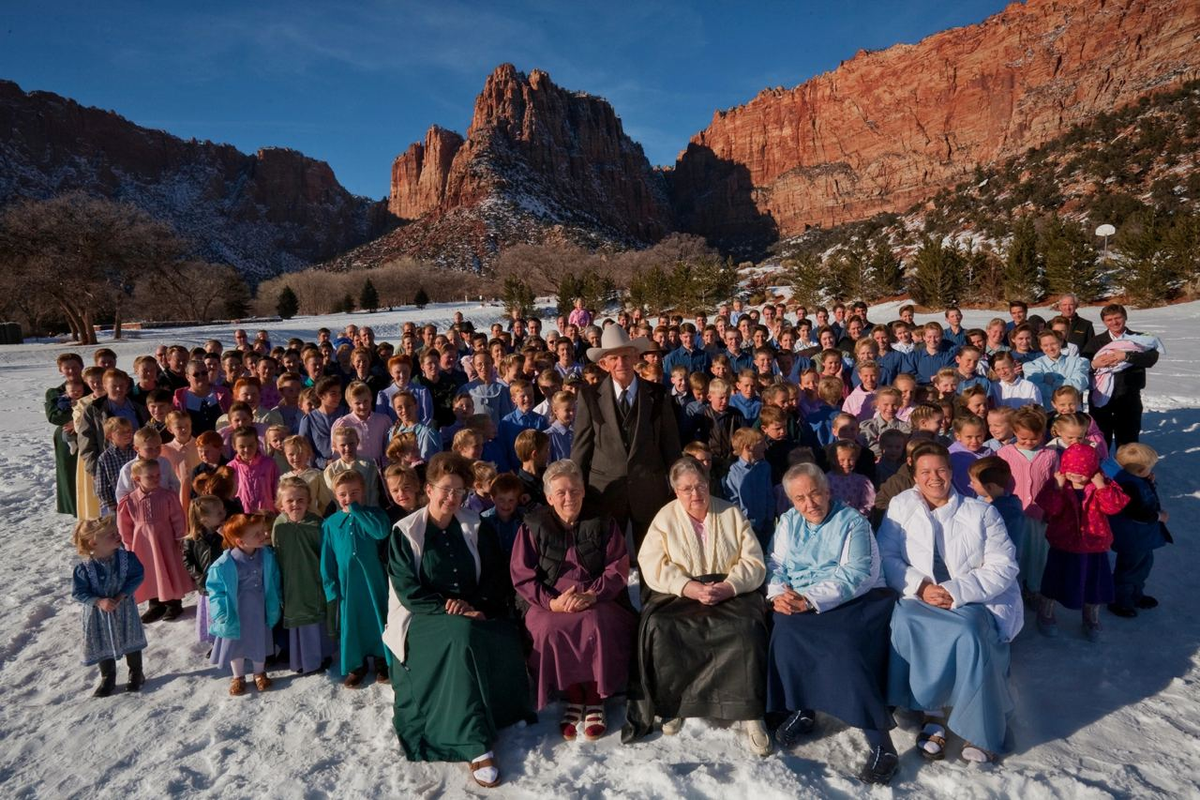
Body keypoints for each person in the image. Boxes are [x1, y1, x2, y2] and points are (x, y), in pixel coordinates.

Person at [384, 452, 532, 788]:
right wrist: (451, 607)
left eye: (459, 492)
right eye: (445, 490)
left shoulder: (475, 525)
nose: (452, 498)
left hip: (472, 610)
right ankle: (474, 743)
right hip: (421, 619)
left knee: (500, 633)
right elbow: (407, 590)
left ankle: (500, 709)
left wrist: (476, 603)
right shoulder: (405, 532)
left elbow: (494, 576)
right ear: (429, 489)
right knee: (462, 637)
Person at [878, 444, 1022, 764]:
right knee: (904, 622)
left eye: (941, 470)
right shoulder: (902, 506)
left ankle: (979, 727)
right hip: (918, 595)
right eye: (925, 472)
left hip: (972, 598)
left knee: (970, 632)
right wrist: (920, 585)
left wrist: (957, 590)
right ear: (914, 475)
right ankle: (932, 713)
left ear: (951, 471)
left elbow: (1004, 566)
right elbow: (885, 555)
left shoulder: (980, 512)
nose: (934, 478)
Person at [623, 457, 771, 757]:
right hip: (681, 591)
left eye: (700, 485)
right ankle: (676, 704)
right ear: (675, 491)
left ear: (708, 484)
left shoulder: (730, 513)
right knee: (661, 627)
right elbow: (651, 564)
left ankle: (751, 712)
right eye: (686, 488)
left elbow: (754, 561)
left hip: (729, 590)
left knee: (748, 628)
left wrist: (729, 586)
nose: (695, 494)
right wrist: (688, 587)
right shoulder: (664, 518)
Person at [766, 464, 899, 784]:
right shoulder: (788, 522)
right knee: (784, 631)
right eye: (800, 498)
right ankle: (803, 709)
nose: (809, 503)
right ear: (790, 501)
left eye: (814, 494)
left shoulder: (853, 522)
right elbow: (777, 563)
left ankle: (882, 743)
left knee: (843, 649)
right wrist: (777, 594)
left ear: (828, 491)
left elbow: (855, 573)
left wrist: (808, 599)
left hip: (854, 601)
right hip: (802, 600)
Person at [509, 460, 637, 741]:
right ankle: (573, 695)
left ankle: (594, 696)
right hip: (549, 599)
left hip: (598, 594)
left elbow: (617, 567)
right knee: (548, 629)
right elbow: (522, 575)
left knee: (596, 625)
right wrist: (551, 603)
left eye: (575, 490)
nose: (569, 498)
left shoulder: (603, 522)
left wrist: (592, 594)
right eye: (562, 492)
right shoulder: (533, 526)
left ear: (583, 491)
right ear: (549, 497)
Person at [571, 324, 682, 557]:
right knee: (609, 560)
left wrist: (677, 486)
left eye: (625, 356)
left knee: (655, 557)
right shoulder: (589, 396)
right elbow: (581, 448)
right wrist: (576, 488)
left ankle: (652, 595)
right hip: (605, 493)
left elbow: (670, 446)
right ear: (604, 363)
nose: (621, 363)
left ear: (635, 357)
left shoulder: (659, 394)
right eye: (614, 358)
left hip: (650, 490)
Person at [1034, 444, 1129, 640]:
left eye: (1083, 473)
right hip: (1063, 544)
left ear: (1093, 470)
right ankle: (1046, 611)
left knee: (1094, 582)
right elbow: (1051, 508)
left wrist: (1102, 486)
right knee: (1054, 579)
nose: (1076, 476)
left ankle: (1091, 615)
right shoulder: (1057, 483)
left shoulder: (1103, 484)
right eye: (1072, 471)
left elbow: (1113, 508)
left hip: (1093, 546)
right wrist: (1058, 488)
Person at [321, 470, 391, 687]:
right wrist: (331, 586)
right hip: (347, 584)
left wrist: (358, 511)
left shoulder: (375, 514)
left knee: (377, 619)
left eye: (354, 492)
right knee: (352, 623)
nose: (348, 498)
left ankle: (382, 663)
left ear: (364, 492)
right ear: (335, 496)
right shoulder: (331, 523)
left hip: (373, 581)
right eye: (343, 494)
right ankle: (356, 665)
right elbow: (327, 558)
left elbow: (381, 532)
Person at [207, 513, 281, 696]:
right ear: (240, 541)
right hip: (235, 610)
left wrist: (277, 598)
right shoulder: (224, 564)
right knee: (236, 643)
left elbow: (274, 579)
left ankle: (259, 672)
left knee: (258, 640)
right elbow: (216, 591)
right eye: (256, 533)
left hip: (259, 608)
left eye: (262, 531)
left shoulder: (267, 556)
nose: (263, 535)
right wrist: (221, 612)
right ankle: (238, 676)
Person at [72, 518, 147, 697]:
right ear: (93, 542)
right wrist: (99, 601)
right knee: (103, 641)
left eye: (116, 532)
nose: (117, 535)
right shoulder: (85, 569)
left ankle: (136, 673)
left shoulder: (127, 558)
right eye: (110, 535)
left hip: (125, 609)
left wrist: (122, 595)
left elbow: (137, 576)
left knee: (130, 637)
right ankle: (108, 677)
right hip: (99, 614)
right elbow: (79, 592)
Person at [116, 459, 191, 623]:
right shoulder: (129, 500)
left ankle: (173, 603)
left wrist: (180, 536)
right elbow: (124, 524)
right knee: (150, 571)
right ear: (137, 479)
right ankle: (155, 604)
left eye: (158, 475)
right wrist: (128, 543)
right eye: (150, 477)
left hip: (165, 540)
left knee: (168, 567)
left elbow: (178, 518)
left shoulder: (168, 496)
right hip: (143, 543)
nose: (156, 479)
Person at [1081, 304, 1161, 448]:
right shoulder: (1096, 342)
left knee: (1128, 438)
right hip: (1101, 396)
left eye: (1117, 318)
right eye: (1109, 319)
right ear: (1104, 322)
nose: (1114, 322)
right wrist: (1094, 364)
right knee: (1099, 438)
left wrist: (1126, 355)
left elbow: (1151, 359)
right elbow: (1082, 367)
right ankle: (1101, 467)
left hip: (1129, 395)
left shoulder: (1139, 339)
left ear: (1125, 317)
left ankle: (1127, 468)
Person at [1108, 443, 1172, 618]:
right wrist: (1158, 516)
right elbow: (1136, 512)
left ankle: (1136, 594)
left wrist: (1147, 481)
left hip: (1143, 537)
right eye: (1149, 468)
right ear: (1140, 470)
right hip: (1133, 537)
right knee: (1129, 569)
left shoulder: (1134, 480)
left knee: (1143, 566)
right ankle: (1120, 600)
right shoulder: (1128, 486)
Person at [183, 495, 227, 645]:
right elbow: (187, 560)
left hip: (225, 582)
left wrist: (227, 537)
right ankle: (216, 643)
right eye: (219, 513)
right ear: (204, 519)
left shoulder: (224, 534)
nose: (224, 514)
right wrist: (198, 576)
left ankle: (229, 642)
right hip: (207, 585)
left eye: (223, 510)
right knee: (212, 614)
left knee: (226, 613)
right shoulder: (192, 539)